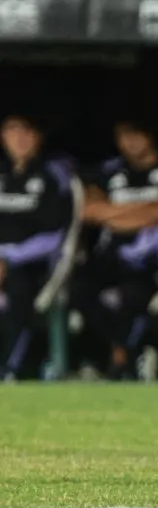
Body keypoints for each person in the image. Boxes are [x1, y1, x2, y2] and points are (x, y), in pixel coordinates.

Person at [73, 119, 158, 380]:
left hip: (155, 258)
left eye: (137, 134)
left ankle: (121, 361)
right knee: (76, 289)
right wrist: (147, 212)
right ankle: (127, 351)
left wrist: (115, 214)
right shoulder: (108, 171)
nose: (131, 141)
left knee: (133, 295)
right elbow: (90, 211)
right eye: (124, 135)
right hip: (111, 255)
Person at [0, 115, 73, 381]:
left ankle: (9, 368)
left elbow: (56, 235)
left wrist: (7, 258)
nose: (19, 139)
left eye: (26, 131)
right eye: (12, 131)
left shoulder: (54, 175)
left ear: (38, 137)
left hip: (35, 262)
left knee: (18, 284)